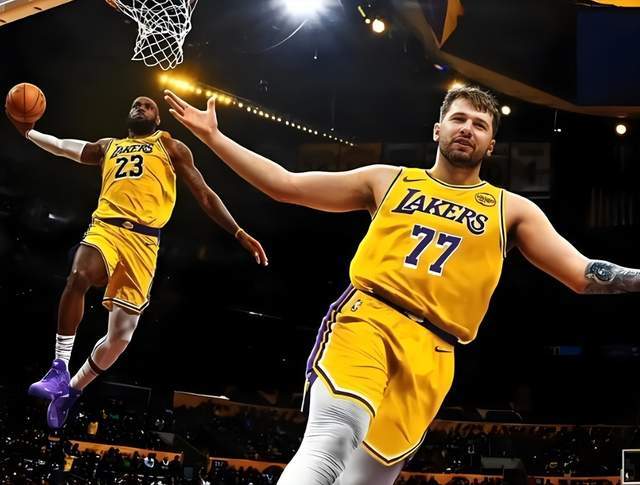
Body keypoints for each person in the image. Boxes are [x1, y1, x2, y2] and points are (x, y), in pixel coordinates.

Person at [163, 86, 640, 485]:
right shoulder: (387, 180)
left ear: (491, 144)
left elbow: (581, 274)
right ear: (438, 129)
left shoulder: (512, 209)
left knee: (365, 479)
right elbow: (285, 184)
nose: (467, 129)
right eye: (458, 119)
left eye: (479, 125)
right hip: (369, 318)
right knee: (331, 441)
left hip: (435, 352)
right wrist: (214, 137)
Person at [7, 96, 268, 429]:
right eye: (135, 105)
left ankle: (73, 389)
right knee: (78, 276)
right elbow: (61, 146)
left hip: (144, 242)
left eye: (147, 106)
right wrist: (29, 132)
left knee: (119, 338)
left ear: (157, 120)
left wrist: (238, 232)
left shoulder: (169, 145)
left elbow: (204, 194)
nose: (139, 107)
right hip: (106, 227)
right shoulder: (109, 146)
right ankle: (59, 369)